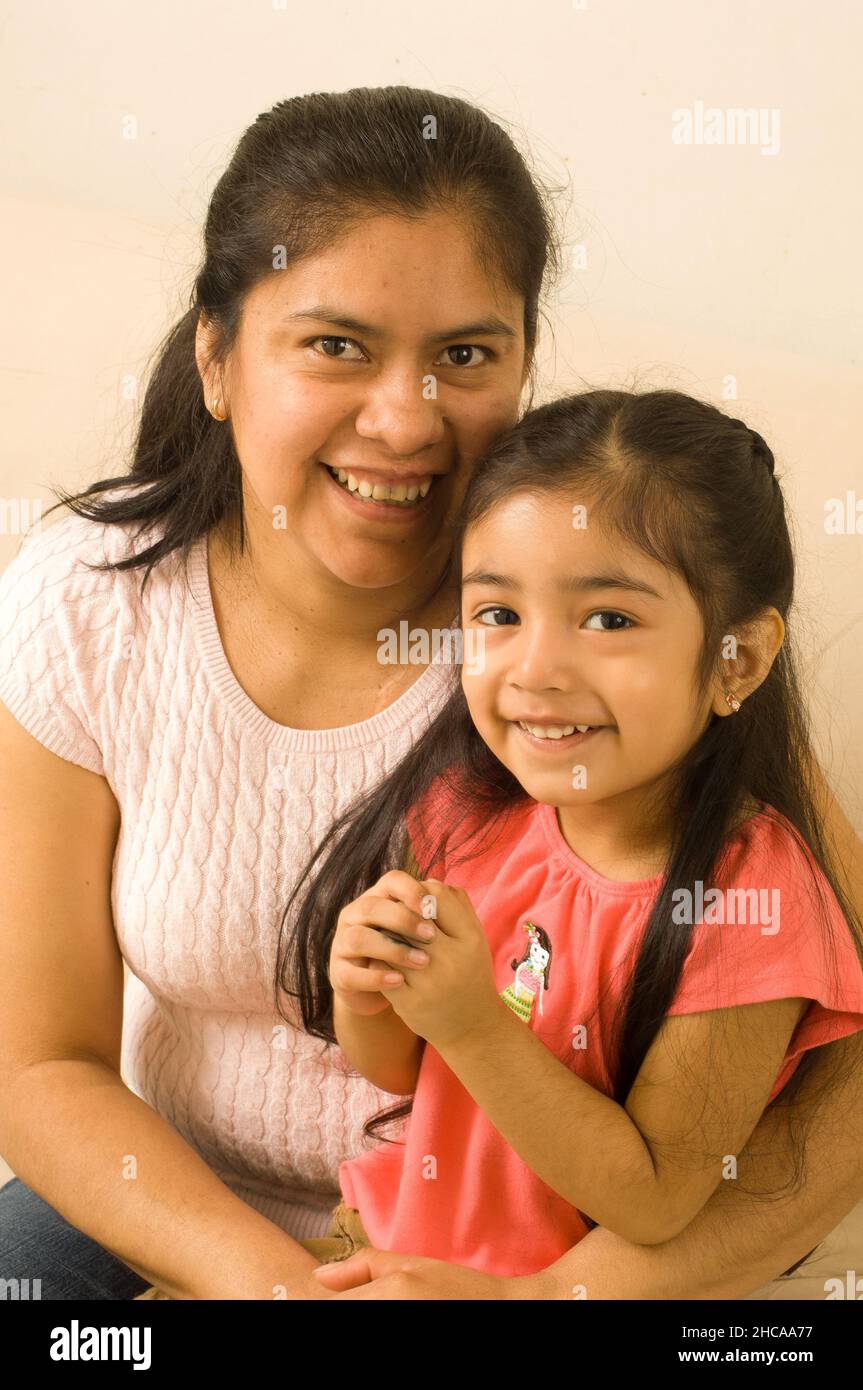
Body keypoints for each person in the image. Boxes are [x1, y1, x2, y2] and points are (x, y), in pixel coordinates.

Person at [0, 87, 861, 1302]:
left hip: (516, 1244)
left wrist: (549, 1300)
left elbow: (829, 1047)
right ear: (216, 355)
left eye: (464, 355)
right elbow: (41, 1066)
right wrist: (274, 1287)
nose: (403, 420)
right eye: (335, 344)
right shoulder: (88, 606)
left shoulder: (590, 646)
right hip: (186, 1195)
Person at [261, 389, 863, 1282]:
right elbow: (402, 1071)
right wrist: (370, 989)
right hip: (388, 1251)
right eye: (497, 615)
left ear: (736, 658)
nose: (536, 669)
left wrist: (470, 1023)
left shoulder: (750, 900)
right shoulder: (468, 813)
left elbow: (655, 1196)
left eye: (608, 620)